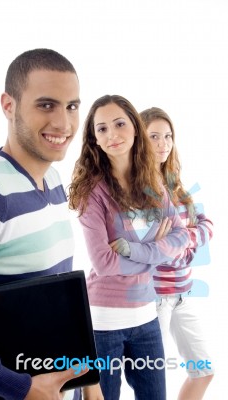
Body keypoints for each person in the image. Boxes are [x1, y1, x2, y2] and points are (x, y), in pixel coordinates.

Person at [0, 48, 90, 400]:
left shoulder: (53, 181)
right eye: (46, 105)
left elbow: (54, 296)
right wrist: (20, 387)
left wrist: (86, 372)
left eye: (72, 106)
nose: (64, 124)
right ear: (9, 105)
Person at [68, 95, 191, 400]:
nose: (112, 135)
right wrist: (156, 254)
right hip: (103, 323)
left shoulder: (152, 182)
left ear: (135, 128)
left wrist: (133, 251)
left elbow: (181, 236)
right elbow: (104, 263)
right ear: (94, 139)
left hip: (147, 319)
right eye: (102, 129)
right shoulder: (92, 192)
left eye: (120, 124)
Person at [139, 106, 214, 400]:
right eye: (154, 136)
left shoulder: (175, 184)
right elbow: (158, 252)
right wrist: (185, 243)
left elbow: (206, 224)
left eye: (168, 136)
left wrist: (185, 238)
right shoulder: (140, 189)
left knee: (204, 370)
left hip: (182, 294)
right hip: (155, 298)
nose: (163, 143)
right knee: (152, 382)